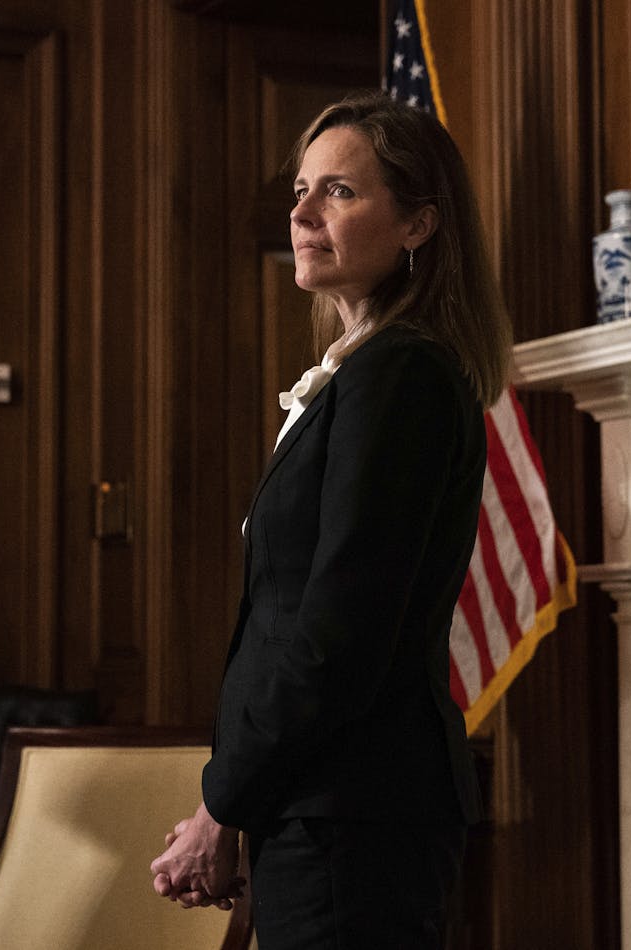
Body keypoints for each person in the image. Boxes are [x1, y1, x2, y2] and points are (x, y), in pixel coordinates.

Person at [149, 92, 514, 948]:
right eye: (302, 191)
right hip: (323, 803)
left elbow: (337, 635)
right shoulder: (366, 372)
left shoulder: (402, 378)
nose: (303, 212)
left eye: (340, 192)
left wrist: (222, 802)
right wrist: (244, 805)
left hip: (357, 811)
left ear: (419, 225)